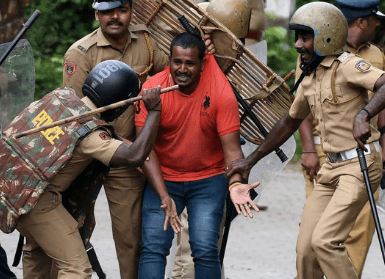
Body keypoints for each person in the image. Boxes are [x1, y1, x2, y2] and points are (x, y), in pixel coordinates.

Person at [225, 2, 385, 279]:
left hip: (358, 166)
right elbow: (289, 121)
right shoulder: (310, 78)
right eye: (297, 37)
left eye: (304, 37)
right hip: (330, 168)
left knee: (325, 242)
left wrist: (364, 113)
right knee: (306, 250)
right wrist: (250, 160)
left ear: (325, 36)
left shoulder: (348, 66)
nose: (298, 44)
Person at [63, 1, 214, 278]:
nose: (115, 17)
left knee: (131, 239)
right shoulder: (80, 53)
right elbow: (75, 115)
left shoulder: (147, 43)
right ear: (97, 14)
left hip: (129, 156)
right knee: (71, 232)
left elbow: (173, 75)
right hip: (88, 156)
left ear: (131, 10)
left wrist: (201, 52)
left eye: (121, 9)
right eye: (107, 11)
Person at [12, 60, 180, 278]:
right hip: (39, 202)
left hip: (15, 190)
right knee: (77, 269)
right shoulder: (92, 135)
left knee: (38, 254)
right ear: (119, 103)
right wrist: (154, 112)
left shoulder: (62, 98)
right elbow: (135, 155)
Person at [136, 32, 259, 279]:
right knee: (153, 247)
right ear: (169, 60)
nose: (182, 69)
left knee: (204, 250)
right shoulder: (152, 89)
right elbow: (144, 150)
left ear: (203, 64)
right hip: (164, 178)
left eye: (190, 63)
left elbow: (232, 149)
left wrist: (235, 183)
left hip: (208, 179)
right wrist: (163, 195)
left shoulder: (220, 91)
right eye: (177, 62)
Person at [296, 1, 385, 277]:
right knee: (311, 244)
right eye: (373, 20)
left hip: (359, 156)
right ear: (361, 21)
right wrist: (308, 151)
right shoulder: (311, 58)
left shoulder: (374, 55)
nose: (377, 25)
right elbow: (297, 113)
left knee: (348, 235)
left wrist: (367, 119)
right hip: (326, 159)